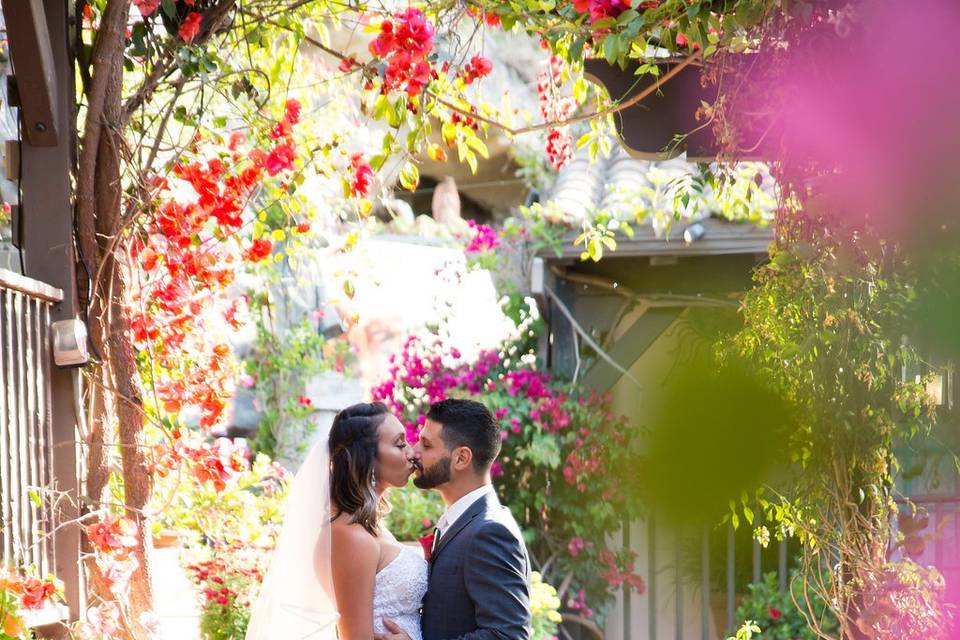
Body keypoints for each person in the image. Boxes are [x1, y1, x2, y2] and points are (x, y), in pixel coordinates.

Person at [245, 402, 427, 640]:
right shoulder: (350, 536)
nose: (412, 453)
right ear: (367, 458)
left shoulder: (367, 528)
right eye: (399, 444)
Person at [377, 398, 532, 640]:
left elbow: (508, 635)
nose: (413, 452)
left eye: (426, 445)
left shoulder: (489, 531)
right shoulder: (465, 521)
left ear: (461, 458)